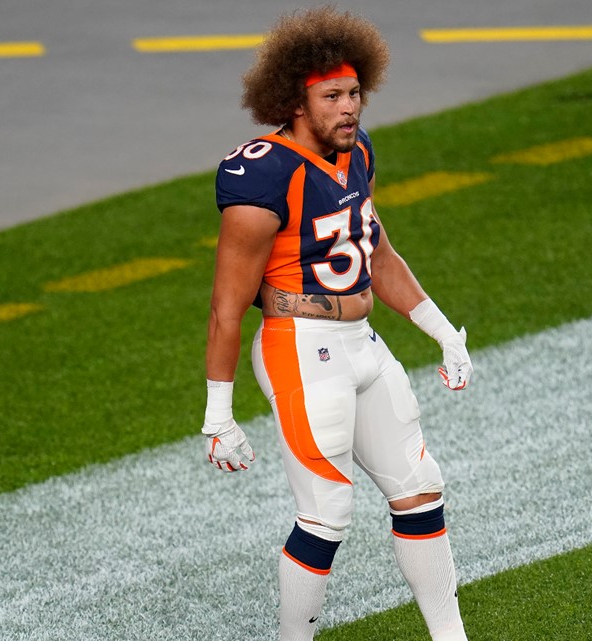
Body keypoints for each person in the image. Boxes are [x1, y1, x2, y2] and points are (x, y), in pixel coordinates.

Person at [201, 7, 474, 640]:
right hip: (300, 345)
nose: (349, 107)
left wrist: (441, 329)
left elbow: (375, 250)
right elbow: (225, 306)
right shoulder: (262, 175)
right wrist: (219, 413)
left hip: (362, 342)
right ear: (296, 102)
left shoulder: (357, 153)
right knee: (326, 514)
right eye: (332, 96)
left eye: (354, 93)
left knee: (421, 489)